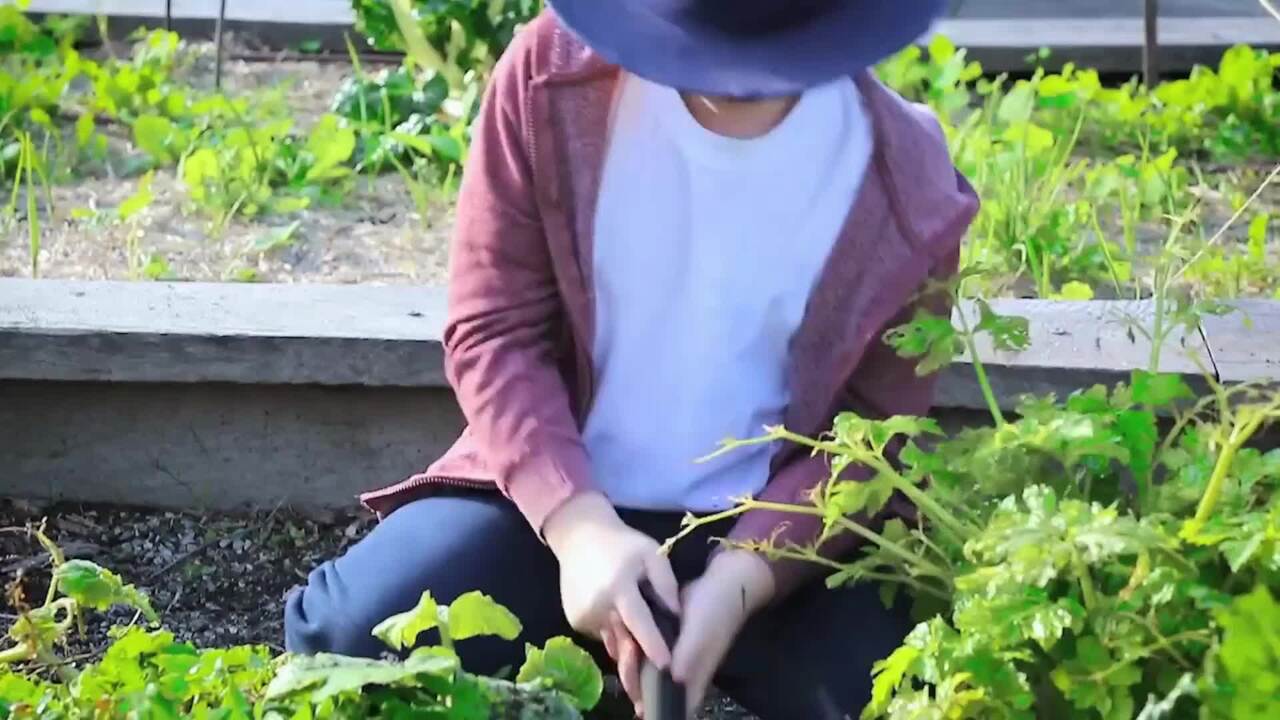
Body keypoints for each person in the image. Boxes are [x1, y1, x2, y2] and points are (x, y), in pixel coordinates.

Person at [285, 1, 978, 717]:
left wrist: (744, 577)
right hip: (552, 506)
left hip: (767, 531)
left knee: (907, 694)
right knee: (347, 641)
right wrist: (580, 529)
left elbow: (870, 431)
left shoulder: (904, 180)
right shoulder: (552, 78)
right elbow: (496, 330)